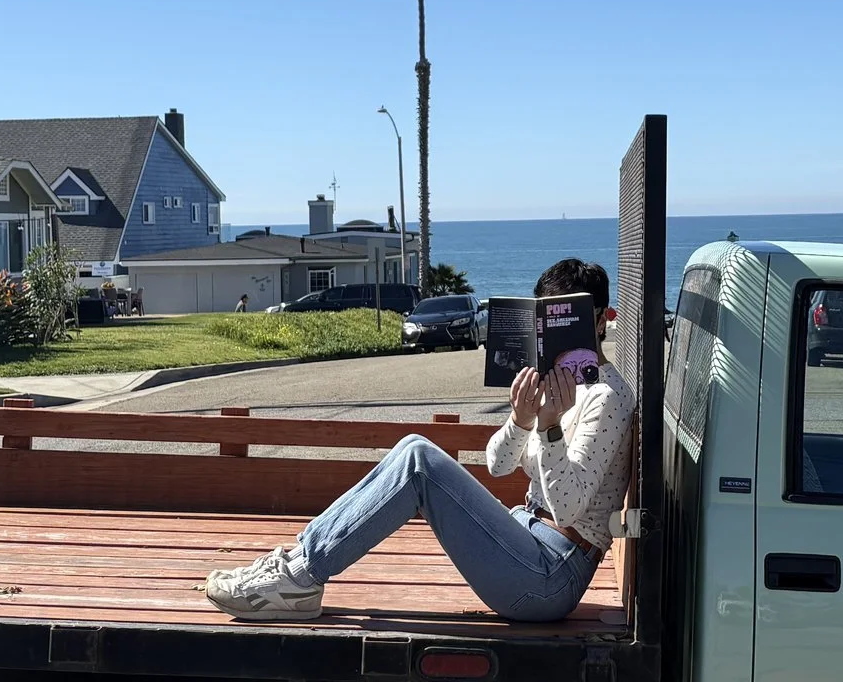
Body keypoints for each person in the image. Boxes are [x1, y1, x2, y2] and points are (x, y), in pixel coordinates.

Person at [206, 257, 631, 624]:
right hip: (526, 536)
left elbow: (568, 508)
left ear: (601, 319)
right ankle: (301, 562)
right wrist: (522, 419)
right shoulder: (549, 385)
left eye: (572, 317)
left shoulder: (608, 397)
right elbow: (498, 466)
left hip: (551, 576)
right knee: (415, 451)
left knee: (418, 459)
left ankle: (300, 575)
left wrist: (551, 426)